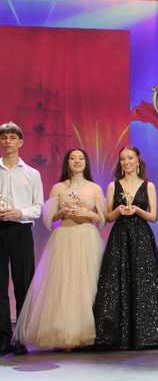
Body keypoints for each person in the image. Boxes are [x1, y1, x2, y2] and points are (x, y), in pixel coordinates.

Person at [13, 148, 105, 350]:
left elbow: (102, 219)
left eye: (81, 158)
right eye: (73, 158)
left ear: (86, 162)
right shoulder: (58, 188)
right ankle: (66, 335)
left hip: (87, 237)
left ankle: (90, 334)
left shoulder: (95, 188)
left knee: (88, 284)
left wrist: (88, 214)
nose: (77, 161)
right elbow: (48, 219)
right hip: (64, 238)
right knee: (64, 285)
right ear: (67, 162)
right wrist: (62, 212)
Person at [93, 145, 158, 350]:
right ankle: (117, 336)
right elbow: (109, 217)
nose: (126, 162)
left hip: (141, 236)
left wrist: (137, 209)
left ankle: (146, 335)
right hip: (120, 236)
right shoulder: (113, 186)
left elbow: (153, 216)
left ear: (138, 160)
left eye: (130, 158)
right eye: (122, 159)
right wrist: (119, 210)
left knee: (143, 281)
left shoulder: (148, 186)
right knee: (117, 282)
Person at [0, 122, 43, 356]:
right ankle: (3, 338)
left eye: (12, 137)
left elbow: (38, 207)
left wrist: (19, 213)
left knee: (23, 283)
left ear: (20, 142)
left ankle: (21, 338)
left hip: (20, 230)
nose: (7, 141)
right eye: (4, 137)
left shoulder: (32, 174)